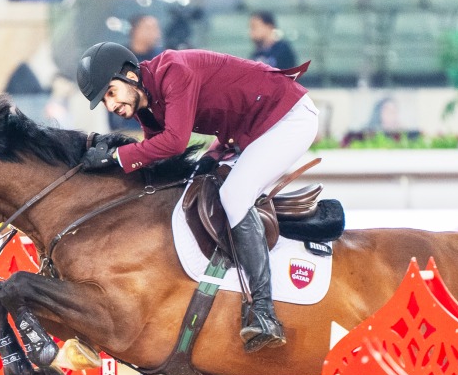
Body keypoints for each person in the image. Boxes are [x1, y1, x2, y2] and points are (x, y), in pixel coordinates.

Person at [75, 42, 318, 352]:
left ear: (130, 76)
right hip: (247, 133)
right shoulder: (145, 106)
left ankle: (264, 312)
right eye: (104, 101)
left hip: (288, 118)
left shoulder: (174, 71)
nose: (111, 107)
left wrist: (115, 157)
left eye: (110, 93)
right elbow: (157, 154)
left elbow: (175, 142)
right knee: (197, 184)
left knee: (234, 195)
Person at [108, 14, 165, 131]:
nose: (156, 33)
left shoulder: (162, 58)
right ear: (135, 31)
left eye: (156, 28)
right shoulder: (119, 58)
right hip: (127, 127)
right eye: (149, 28)